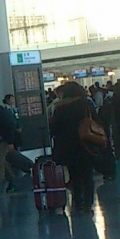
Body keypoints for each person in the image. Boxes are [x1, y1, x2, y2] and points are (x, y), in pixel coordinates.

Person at [49, 81, 101, 214]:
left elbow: (53, 129)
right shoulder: (87, 104)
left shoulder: (60, 108)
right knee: (88, 175)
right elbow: (96, 121)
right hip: (87, 144)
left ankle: (78, 202)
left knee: (75, 176)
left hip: (68, 147)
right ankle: (88, 204)